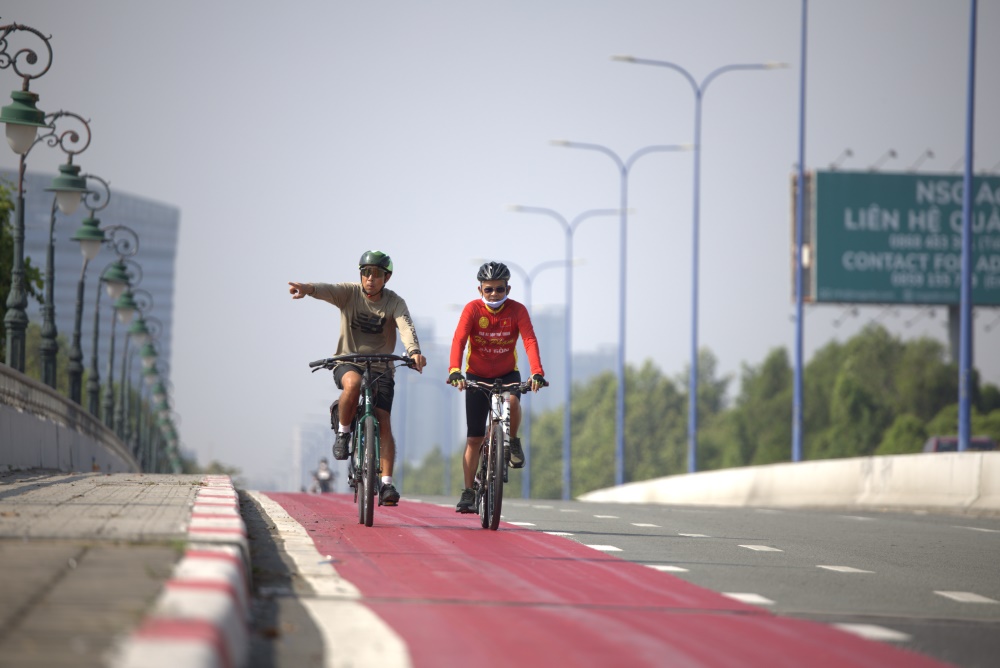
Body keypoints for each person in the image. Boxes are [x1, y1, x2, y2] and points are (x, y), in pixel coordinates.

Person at [289, 250, 426, 507]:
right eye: (365, 272)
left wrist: (414, 351)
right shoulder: (349, 293)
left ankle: (386, 483)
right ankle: (343, 433)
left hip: (382, 366)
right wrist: (306, 288)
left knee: (383, 420)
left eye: (376, 274)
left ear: (387, 277)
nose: (370, 278)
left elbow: (406, 326)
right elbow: (325, 289)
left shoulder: (395, 302)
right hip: (348, 361)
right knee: (351, 384)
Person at [448, 261, 546, 513]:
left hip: (507, 374)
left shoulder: (517, 311)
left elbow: (530, 340)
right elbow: (459, 339)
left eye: (499, 289)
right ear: (480, 289)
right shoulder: (472, 309)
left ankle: (512, 441)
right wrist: (455, 370)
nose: (494, 294)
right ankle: (468, 491)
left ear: (508, 289)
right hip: (476, 376)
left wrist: (537, 372)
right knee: (474, 438)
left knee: (512, 401)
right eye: (488, 289)